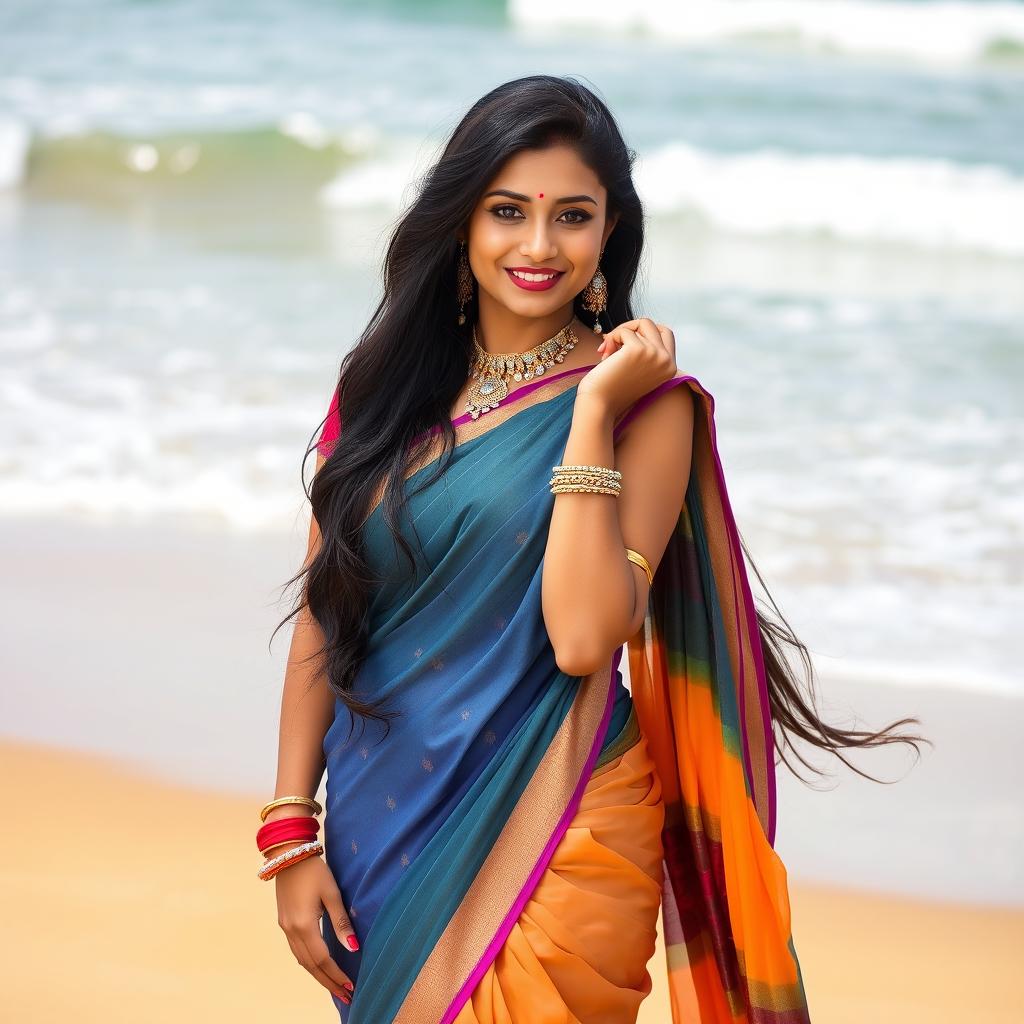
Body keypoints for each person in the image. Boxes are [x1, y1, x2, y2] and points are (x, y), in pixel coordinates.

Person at [260, 75, 927, 1023]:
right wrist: (291, 834)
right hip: (381, 824)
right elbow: (327, 618)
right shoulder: (376, 391)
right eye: (507, 212)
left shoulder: (649, 411)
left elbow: (583, 637)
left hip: (558, 820)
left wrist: (592, 414)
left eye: (572, 216)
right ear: (461, 223)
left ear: (609, 232)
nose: (538, 246)